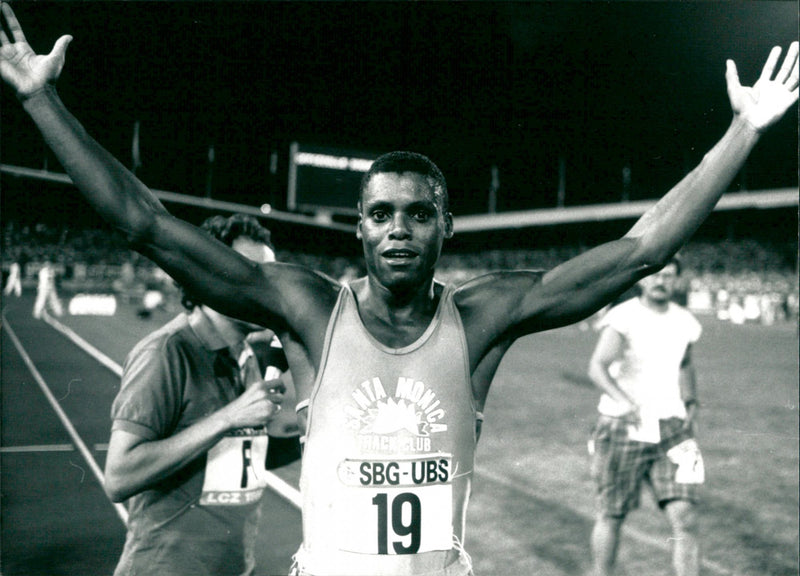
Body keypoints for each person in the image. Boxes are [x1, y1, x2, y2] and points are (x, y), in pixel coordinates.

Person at [0, 5, 796, 574]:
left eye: (419, 213)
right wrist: (41, 100)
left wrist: (742, 133)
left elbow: (639, 250)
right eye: (380, 213)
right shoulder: (310, 309)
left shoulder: (481, 316)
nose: (399, 227)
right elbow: (144, 223)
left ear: (445, 225)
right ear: (359, 228)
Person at [103, 213, 298, 576]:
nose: (267, 289)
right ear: (206, 275)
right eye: (251, 273)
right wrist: (229, 417)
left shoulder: (245, 354)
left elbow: (237, 459)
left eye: (269, 276)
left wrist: (313, 436)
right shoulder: (166, 352)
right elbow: (119, 476)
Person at [587, 258, 703, 576]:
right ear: (643, 280)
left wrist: (691, 401)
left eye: (669, 276)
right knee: (612, 514)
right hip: (624, 426)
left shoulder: (686, 321)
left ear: (678, 282)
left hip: (673, 428)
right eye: (656, 275)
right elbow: (597, 366)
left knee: (686, 517)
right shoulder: (624, 317)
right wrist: (624, 402)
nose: (662, 281)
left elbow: (685, 363)